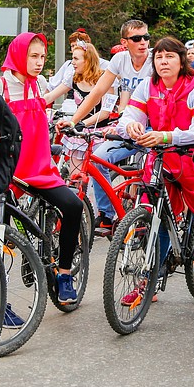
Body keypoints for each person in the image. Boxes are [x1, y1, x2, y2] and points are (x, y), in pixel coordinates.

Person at [116, 36, 194, 328]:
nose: (163, 62)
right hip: (159, 162)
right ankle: (148, 282)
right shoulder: (147, 86)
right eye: (159, 57)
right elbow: (129, 115)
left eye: (170, 57)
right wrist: (131, 124)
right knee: (154, 222)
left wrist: (166, 136)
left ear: (181, 60)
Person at [0, 32, 83, 303]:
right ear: (18, 55)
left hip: (40, 170)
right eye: (32, 56)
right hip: (8, 172)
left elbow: (38, 111)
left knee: (73, 206)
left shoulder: (38, 84)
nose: (38, 62)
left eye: (42, 57)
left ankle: (65, 273)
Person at [62, 19, 153, 233]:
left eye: (146, 37)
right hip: (128, 126)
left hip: (152, 129)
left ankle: (151, 217)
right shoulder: (120, 60)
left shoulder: (155, 61)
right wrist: (75, 121)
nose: (143, 42)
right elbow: (96, 93)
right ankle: (106, 215)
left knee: (153, 170)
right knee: (100, 157)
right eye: (137, 38)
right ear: (125, 42)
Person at [45, 40, 113, 178]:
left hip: (99, 134)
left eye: (76, 58)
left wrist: (81, 124)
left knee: (98, 177)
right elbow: (51, 96)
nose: (72, 62)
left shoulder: (104, 78)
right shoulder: (74, 78)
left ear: (87, 60)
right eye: (72, 58)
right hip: (78, 133)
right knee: (75, 178)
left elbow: (105, 112)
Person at [47, 29, 111, 92]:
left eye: (77, 45)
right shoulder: (69, 66)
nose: (75, 48)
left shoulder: (104, 66)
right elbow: (52, 86)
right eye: (72, 46)